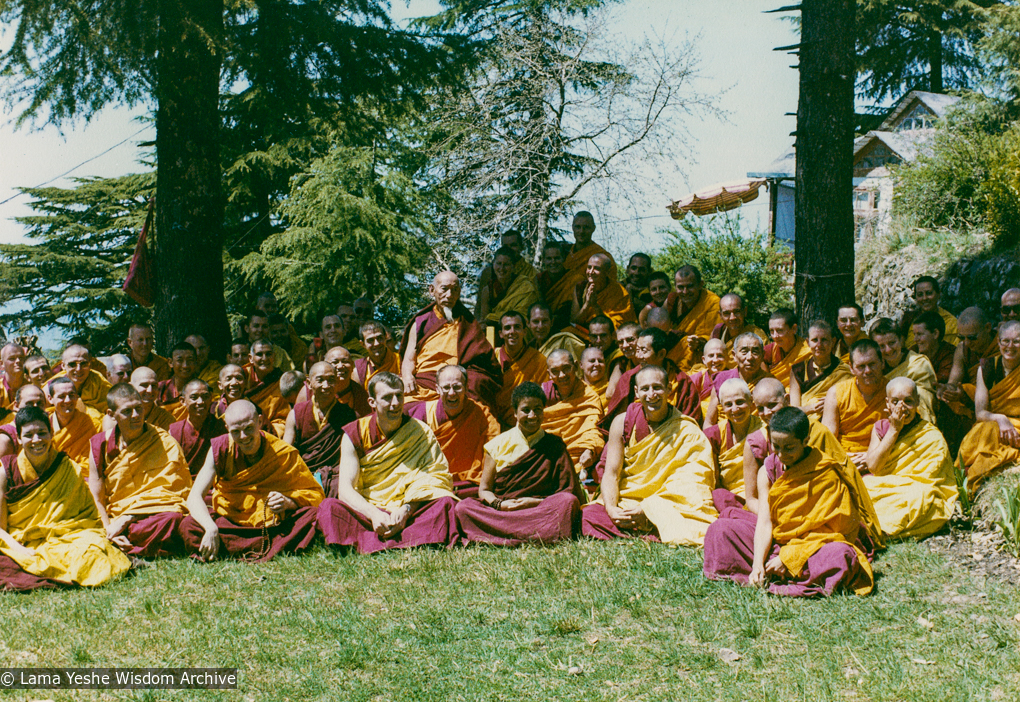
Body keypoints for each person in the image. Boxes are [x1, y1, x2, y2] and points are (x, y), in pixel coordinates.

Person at [703, 406, 876, 597]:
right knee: (720, 530)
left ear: (805, 441)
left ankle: (783, 573)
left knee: (841, 555)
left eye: (789, 448)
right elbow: (765, 522)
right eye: (776, 446)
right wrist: (757, 563)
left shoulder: (825, 472)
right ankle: (768, 572)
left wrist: (791, 557)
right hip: (777, 540)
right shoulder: (767, 470)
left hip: (813, 548)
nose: (782, 454)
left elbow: (834, 532)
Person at [316, 372, 459, 554]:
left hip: (408, 508)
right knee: (328, 507)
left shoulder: (419, 431)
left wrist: (406, 510)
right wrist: (374, 514)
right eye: (387, 398)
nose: (395, 404)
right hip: (370, 510)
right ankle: (414, 539)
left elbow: (435, 477)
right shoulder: (355, 434)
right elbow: (345, 490)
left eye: (399, 395)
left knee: (445, 503)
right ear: (372, 403)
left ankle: (368, 542)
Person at [581, 365, 717, 545]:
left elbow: (693, 482)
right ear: (636, 392)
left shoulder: (687, 431)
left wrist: (649, 510)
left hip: (665, 505)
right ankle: (651, 532)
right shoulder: (622, 422)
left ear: (669, 389)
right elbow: (611, 473)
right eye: (645, 389)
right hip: (628, 501)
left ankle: (647, 527)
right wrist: (613, 510)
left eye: (657, 387)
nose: (652, 394)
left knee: (696, 524)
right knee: (589, 515)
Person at [0, 406, 131, 590]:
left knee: (93, 553)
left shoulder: (67, 467)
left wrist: (106, 533)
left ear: (51, 433)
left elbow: (88, 515)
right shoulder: (6, 473)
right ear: (19, 439)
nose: (36, 440)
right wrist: (20, 550)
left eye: (42, 433)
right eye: (29, 435)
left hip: (71, 535)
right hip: (26, 542)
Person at [182, 399, 325, 562]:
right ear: (227, 428)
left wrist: (288, 502)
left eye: (249, 428)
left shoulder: (281, 452)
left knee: (312, 516)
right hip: (232, 521)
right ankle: (276, 547)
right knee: (189, 525)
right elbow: (194, 496)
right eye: (236, 431)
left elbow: (315, 494)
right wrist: (210, 528)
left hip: (273, 524)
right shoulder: (221, 448)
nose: (243, 437)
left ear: (260, 421)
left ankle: (229, 550)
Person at [454, 382, 586, 546]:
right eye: (525, 410)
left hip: (540, 509)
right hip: (506, 511)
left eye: (538, 409)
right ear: (515, 412)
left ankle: (499, 536)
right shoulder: (496, 445)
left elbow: (569, 491)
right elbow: (485, 489)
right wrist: (500, 505)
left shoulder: (554, 445)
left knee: (567, 502)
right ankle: (541, 534)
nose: (532, 415)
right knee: (463, 507)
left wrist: (533, 502)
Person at [87, 384, 193, 558]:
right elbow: (96, 499)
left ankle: (128, 546)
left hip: (156, 513)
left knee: (174, 519)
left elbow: (176, 491)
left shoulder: (163, 441)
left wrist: (129, 517)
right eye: (127, 411)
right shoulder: (100, 445)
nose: (136, 416)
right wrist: (110, 531)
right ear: (111, 414)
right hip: (116, 517)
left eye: (138, 408)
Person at [862, 377, 957, 540]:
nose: (902, 407)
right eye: (895, 401)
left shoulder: (930, 434)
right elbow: (873, 467)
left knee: (922, 497)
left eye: (908, 401)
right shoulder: (881, 428)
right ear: (887, 403)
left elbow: (931, 481)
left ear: (918, 402)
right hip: (883, 486)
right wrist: (893, 430)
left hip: (912, 491)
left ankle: (878, 529)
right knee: (863, 485)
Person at [401, 271, 500, 410]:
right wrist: (406, 377)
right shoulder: (420, 322)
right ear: (432, 290)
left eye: (454, 290)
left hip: (456, 381)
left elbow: (481, 359)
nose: (449, 295)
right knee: (400, 403)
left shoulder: (468, 322)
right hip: (425, 381)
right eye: (444, 289)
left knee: (477, 384)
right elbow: (409, 360)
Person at [406, 365, 500, 495]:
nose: (451, 393)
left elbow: (494, 448)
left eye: (457, 387)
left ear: (466, 388)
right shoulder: (423, 414)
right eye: (446, 387)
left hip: (470, 482)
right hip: (432, 482)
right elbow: (409, 457)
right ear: (437, 389)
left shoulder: (481, 414)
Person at [958, 321, 1020, 484]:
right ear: (999, 342)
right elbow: (980, 413)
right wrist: (1001, 419)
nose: (1010, 346)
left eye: (1017, 341)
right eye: (1005, 341)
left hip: (1018, 427)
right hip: (994, 423)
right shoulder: (986, 368)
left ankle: (979, 476)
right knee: (987, 430)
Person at [602, 327, 702, 429]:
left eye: (643, 351)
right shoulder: (629, 378)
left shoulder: (681, 381)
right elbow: (619, 421)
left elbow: (690, 421)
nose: (638, 356)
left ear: (661, 354)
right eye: (637, 350)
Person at [282, 362, 358, 495]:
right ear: (309, 383)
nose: (326, 386)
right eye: (320, 380)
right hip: (304, 474)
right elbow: (286, 453)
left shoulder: (348, 414)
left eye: (331, 380)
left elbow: (353, 455)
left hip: (336, 476)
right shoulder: (296, 413)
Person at [541, 350, 605, 480]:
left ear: (575, 366)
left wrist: (589, 449)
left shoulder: (589, 397)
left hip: (579, 461)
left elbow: (593, 429)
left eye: (566, 368)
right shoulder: (542, 395)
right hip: (546, 458)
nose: (562, 375)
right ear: (549, 374)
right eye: (555, 371)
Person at [823, 339, 887, 465]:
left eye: (872, 364)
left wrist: (873, 455)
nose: (868, 371)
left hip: (882, 458)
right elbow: (828, 438)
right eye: (861, 366)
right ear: (851, 368)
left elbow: (902, 436)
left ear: (882, 363)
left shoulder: (893, 392)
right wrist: (842, 459)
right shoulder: (837, 393)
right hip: (844, 459)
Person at [869, 317, 937, 424]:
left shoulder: (918, 363)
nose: (888, 350)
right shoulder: (873, 368)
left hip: (914, 418)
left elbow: (925, 400)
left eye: (892, 343)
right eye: (881, 346)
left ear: (901, 340)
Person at [705, 378, 762, 501]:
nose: (735, 409)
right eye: (728, 404)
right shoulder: (714, 435)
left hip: (760, 492)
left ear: (751, 401)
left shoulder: (764, 428)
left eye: (740, 402)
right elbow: (714, 479)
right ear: (721, 406)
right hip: (729, 497)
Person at [703, 332, 772, 427]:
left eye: (755, 352)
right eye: (744, 351)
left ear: (763, 355)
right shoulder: (722, 379)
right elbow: (709, 422)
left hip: (757, 438)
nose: (750, 357)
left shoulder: (770, 382)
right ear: (734, 355)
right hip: (724, 437)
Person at [660, 265, 722, 370]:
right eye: (680, 287)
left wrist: (699, 342)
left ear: (700, 285)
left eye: (690, 286)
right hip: (674, 353)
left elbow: (716, 338)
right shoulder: (673, 300)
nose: (685, 292)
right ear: (675, 287)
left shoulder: (712, 303)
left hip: (701, 359)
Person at [494, 311, 548, 425]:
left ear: (524, 331)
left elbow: (544, 400)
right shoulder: (492, 358)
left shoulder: (539, 361)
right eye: (507, 328)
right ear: (501, 333)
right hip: (495, 422)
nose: (512, 332)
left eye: (517, 327)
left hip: (527, 423)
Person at [45, 377, 104, 479]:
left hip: (83, 478)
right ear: (50, 399)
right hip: (52, 479)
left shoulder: (93, 425)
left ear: (77, 397)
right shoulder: (44, 426)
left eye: (72, 395)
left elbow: (94, 462)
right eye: (61, 396)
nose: (68, 400)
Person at [790, 320, 851, 417]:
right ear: (808, 342)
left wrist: (833, 402)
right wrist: (814, 407)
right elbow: (793, 411)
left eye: (824, 340)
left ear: (833, 342)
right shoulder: (798, 370)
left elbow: (850, 400)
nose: (819, 345)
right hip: (804, 423)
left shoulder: (845, 371)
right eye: (814, 340)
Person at [569, 254, 636, 341]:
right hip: (584, 334)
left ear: (607, 272)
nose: (591, 272)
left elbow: (617, 328)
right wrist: (587, 305)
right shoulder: (580, 287)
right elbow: (574, 321)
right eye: (589, 267)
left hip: (606, 337)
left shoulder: (619, 292)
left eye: (596, 268)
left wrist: (595, 306)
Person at [169, 379, 227, 476]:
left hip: (212, 485)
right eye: (194, 397)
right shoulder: (175, 431)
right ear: (182, 401)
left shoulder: (220, 427)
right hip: (181, 483)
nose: (200, 402)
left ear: (211, 398)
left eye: (205, 397)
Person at [478, 246, 541, 327]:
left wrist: (493, 318)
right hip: (496, 331)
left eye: (506, 264)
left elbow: (525, 316)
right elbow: (484, 320)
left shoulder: (525, 286)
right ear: (493, 264)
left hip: (519, 329)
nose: (502, 268)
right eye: (499, 263)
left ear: (513, 266)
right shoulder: (488, 290)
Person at [244, 339, 290, 435]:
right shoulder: (242, 376)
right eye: (259, 354)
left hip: (271, 430)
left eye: (268, 354)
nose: (264, 359)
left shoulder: (281, 380)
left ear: (274, 356)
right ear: (250, 358)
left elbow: (283, 418)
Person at [709, 294, 767, 368]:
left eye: (737, 312)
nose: (732, 318)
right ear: (720, 315)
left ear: (745, 311)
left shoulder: (757, 335)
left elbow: (763, 367)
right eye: (726, 313)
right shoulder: (718, 331)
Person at [902, 275, 958, 346]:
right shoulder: (909, 319)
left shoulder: (951, 323)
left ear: (939, 294)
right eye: (920, 294)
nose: (924, 298)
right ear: (915, 297)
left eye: (929, 293)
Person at [55, 344, 112, 413]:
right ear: (63, 366)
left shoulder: (99, 381)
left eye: (84, 364)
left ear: (90, 364)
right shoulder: (53, 385)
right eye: (72, 364)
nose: (78, 369)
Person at [763, 308, 811, 389]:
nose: (775, 336)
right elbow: (765, 383)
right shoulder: (768, 351)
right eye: (771, 331)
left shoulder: (808, 349)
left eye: (780, 330)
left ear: (794, 329)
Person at [0, 384, 47, 457]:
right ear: (16, 406)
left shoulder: (49, 427)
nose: (35, 408)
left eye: (40, 403)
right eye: (29, 404)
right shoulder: (6, 438)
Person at [156, 341, 199, 422]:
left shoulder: (202, 390)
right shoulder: (160, 388)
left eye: (190, 360)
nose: (185, 365)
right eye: (180, 360)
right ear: (170, 362)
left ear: (196, 362)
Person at [323, 346, 372, 417]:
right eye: (335, 362)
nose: (340, 366)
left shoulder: (360, 393)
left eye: (345, 361)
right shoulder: (313, 390)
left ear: (352, 366)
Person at [910, 310, 956, 384]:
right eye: (914, 334)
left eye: (920, 334)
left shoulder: (950, 354)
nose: (915, 339)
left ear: (935, 334)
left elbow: (937, 383)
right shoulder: (914, 351)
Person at [689, 338, 728, 420]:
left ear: (727, 358)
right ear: (704, 360)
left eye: (720, 355)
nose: (715, 360)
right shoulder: (697, 378)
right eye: (711, 356)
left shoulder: (733, 378)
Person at [353, 321, 400, 386]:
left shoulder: (400, 360)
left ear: (385, 337)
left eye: (380, 338)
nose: (376, 343)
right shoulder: (359, 371)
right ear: (362, 344)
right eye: (370, 340)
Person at [131, 366, 175, 430]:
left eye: (154, 386)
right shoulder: (122, 414)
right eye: (144, 385)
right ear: (131, 387)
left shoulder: (166, 418)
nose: (150, 390)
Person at [0, 342, 27, 409]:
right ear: (2, 364)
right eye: (12, 358)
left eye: (21, 358)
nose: (18, 361)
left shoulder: (32, 385)